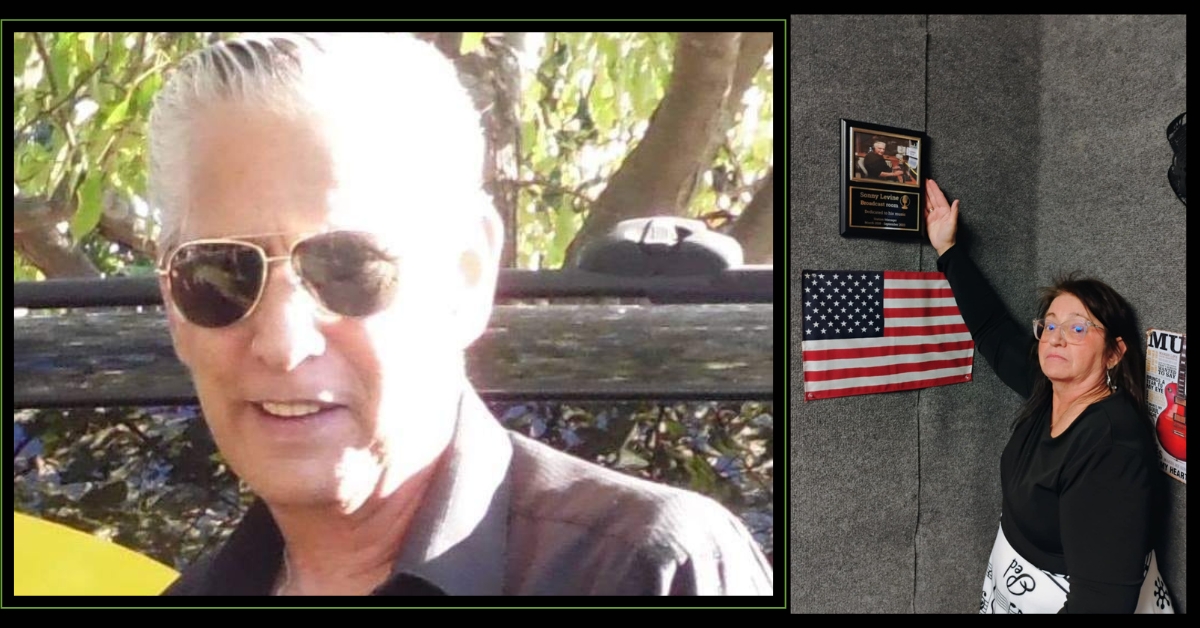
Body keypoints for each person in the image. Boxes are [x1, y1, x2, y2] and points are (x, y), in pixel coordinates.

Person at [149, 33, 772, 596]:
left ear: (467, 275)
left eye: (346, 268)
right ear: (173, 307)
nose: (282, 342)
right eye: (222, 273)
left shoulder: (643, 572)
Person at [923, 179, 1172, 613]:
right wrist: (948, 251)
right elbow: (992, 331)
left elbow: (1102, 602)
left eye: (1078, 328)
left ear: (1114, 353)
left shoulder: (1112, 448)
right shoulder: (1051, 388)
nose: (1056, 337)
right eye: (1050, 324)